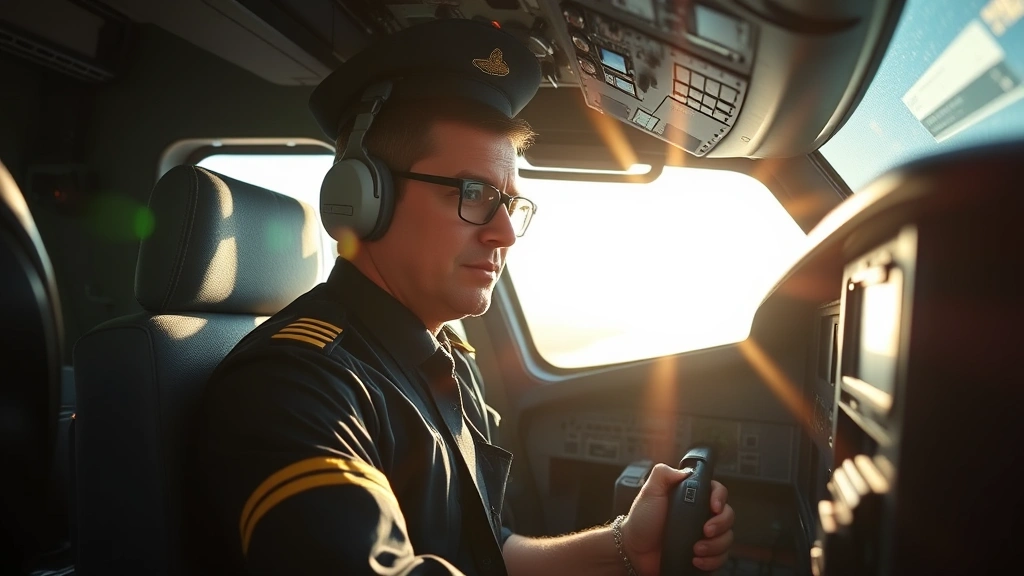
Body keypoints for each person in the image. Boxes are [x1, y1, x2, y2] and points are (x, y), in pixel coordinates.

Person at [195, 17, 735, 576]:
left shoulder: (444, 359)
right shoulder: (296, 387)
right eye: (474, 193)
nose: (503, 232)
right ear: (363, 199)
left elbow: (484, 550)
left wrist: (623, 546)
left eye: (511, 204)